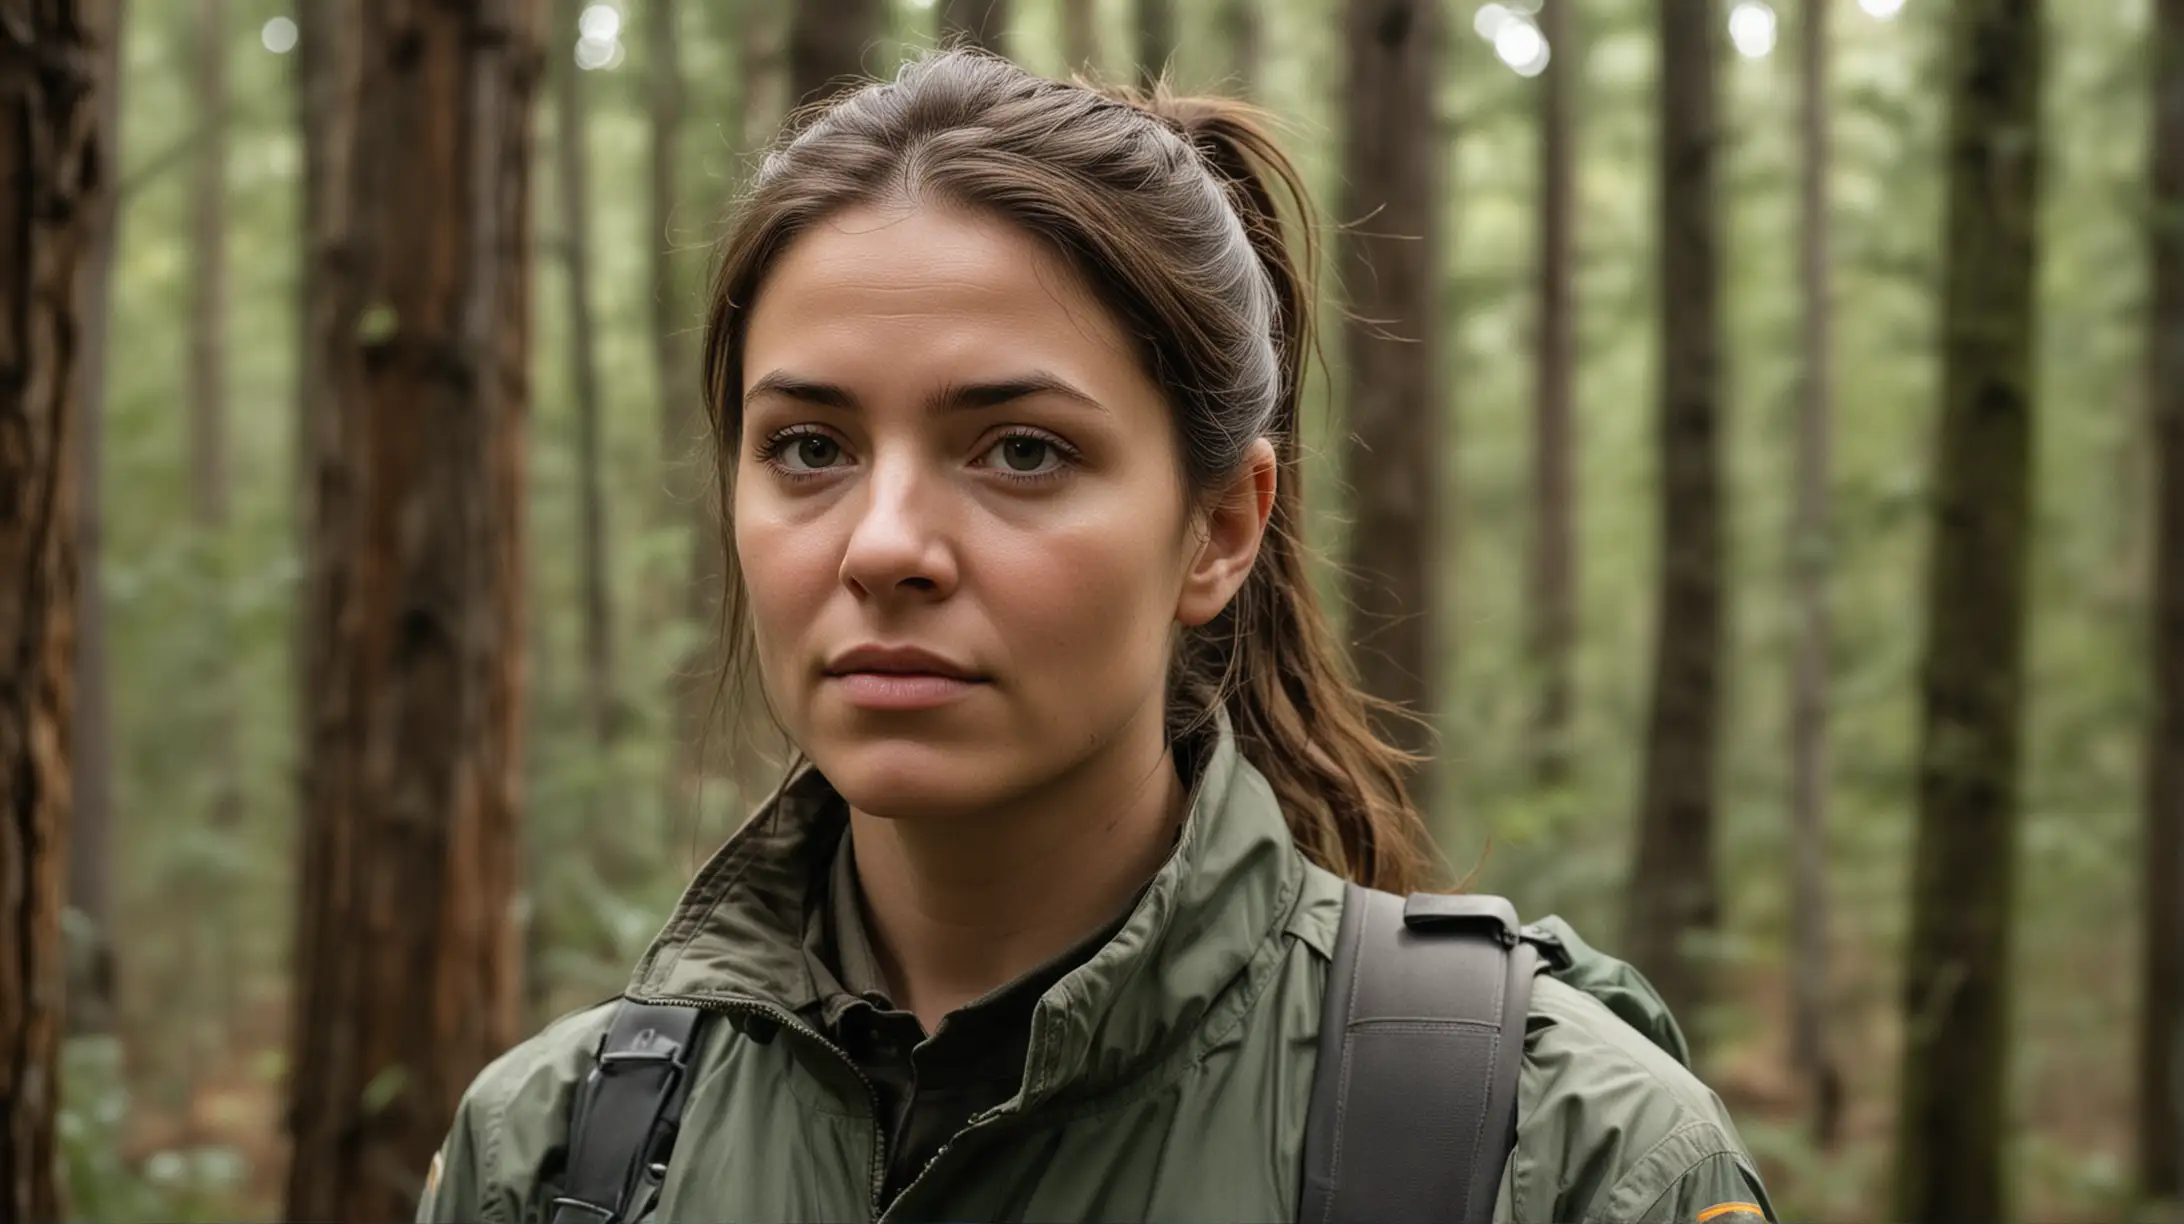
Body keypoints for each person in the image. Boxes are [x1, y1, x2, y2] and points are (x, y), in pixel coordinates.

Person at [418, 47, 1774, 1224]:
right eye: (810, 446)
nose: (884, 544)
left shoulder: (1559, 1155)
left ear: (1221, 530)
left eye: (1018, 450)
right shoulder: (553, 1158)